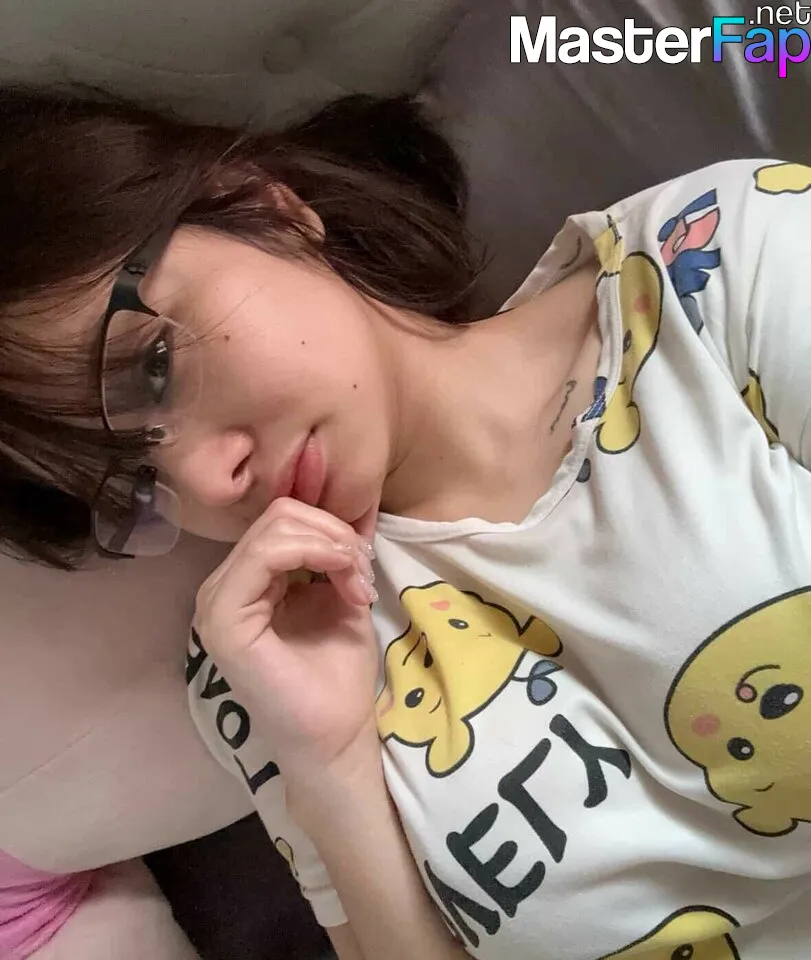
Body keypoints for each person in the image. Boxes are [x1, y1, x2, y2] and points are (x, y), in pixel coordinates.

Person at [2, 85, 811, 960]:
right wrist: (335, 768)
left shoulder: (712, 265)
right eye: (131, 481)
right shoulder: (259, 668)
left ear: (264, 207)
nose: (203, 479)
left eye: (153, 368)